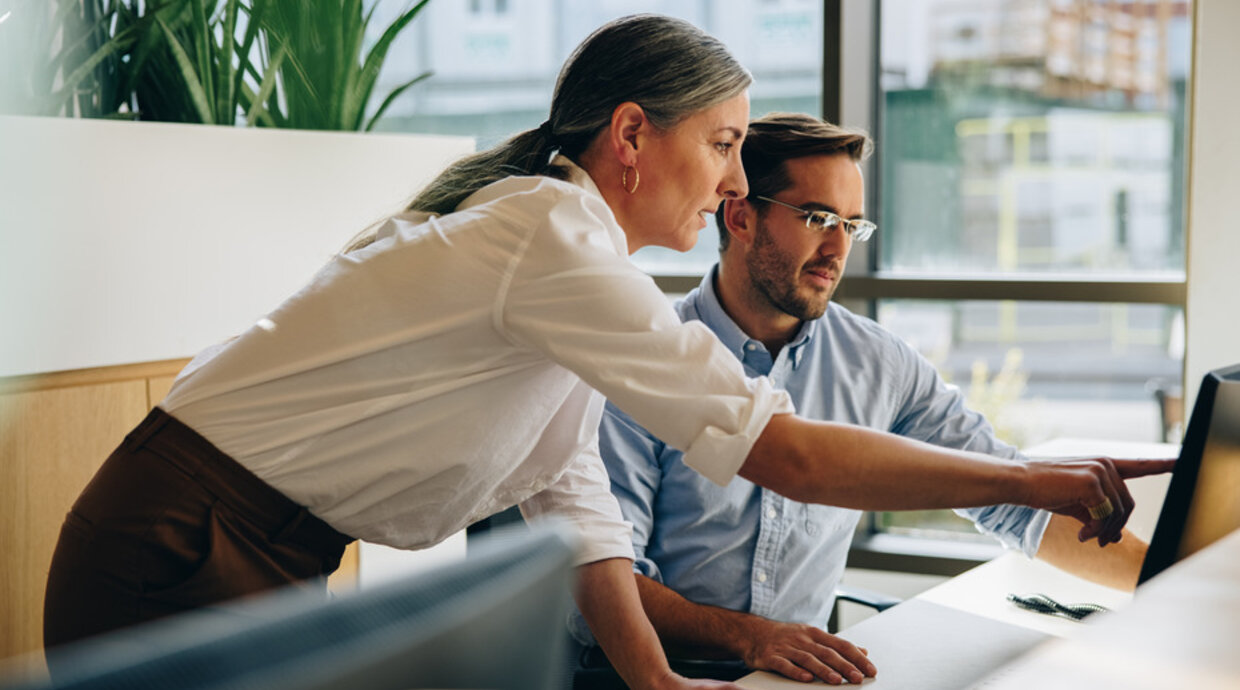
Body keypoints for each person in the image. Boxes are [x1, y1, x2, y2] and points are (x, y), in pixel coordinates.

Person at [43, 15, 1165, 690]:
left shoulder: (568, 270)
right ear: (632, 136)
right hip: (183, 537)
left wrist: (654, 679)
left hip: (258, 543)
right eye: (723, 146)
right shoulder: (548, 235)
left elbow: (567, 497)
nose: (735, 182)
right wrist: (1028, 477)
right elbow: (789, 458)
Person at [571, 112, 1165, 685]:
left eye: (851, 225)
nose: (837, 249)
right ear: (739, 216)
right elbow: (609, 576)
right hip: (650, 673)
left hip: (798, 676)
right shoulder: (645, 358)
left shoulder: (878, 363)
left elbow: (1010, 498)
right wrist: (753, 637)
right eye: (816, 217)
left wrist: (1167, 582)